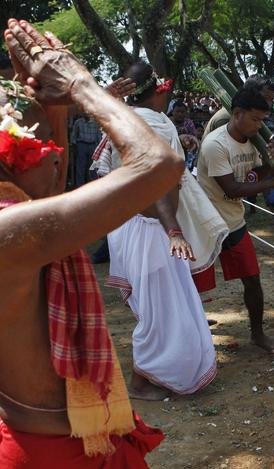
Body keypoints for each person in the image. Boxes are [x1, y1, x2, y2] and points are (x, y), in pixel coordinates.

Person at [0, 19, 184, 469]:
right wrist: (81, 84)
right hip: (55, 467)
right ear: (6, 154)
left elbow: (52, 187)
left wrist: (53, 108)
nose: (55, 155)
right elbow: (160, 165)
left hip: (46, 448)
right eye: (38, 143)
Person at [95, 62, 221, 401]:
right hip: (153, 227)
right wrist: (174, 231)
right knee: (159, 306)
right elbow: (156, 183)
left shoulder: (132, 119)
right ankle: (142, 379)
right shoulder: (149, 124)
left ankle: (159, 372)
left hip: (135, 223)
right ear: (160, 90)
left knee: (163, 303)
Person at [194, 87, 274, 354]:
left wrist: (271, 167)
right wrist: (273, 181)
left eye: (262, 120)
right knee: (194, 282)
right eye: (255, 119)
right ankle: (192, 329)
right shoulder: (215, 144)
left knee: (252, 278)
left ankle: (257, 334)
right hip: (206, 223)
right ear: (237, 114)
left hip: (234, 221)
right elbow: (232, 189)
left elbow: (253, 172)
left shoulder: (253, 140)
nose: (259, 126)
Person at [203, 74, 274, 140]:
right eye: (266, 97)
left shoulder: (253, 116)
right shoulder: (227, 118)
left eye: (271, 99)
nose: (269, 104)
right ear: (251, 93)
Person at [70, 113, 101, 187]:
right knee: (80, 166)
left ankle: (92, 185)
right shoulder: (78, 122)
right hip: (81, 145)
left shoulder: (96, 122)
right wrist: (74, 145)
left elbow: (98, 136)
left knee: (92, 167)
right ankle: (79, 186)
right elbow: (74, 135)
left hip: (93, 145)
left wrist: (99, 148)